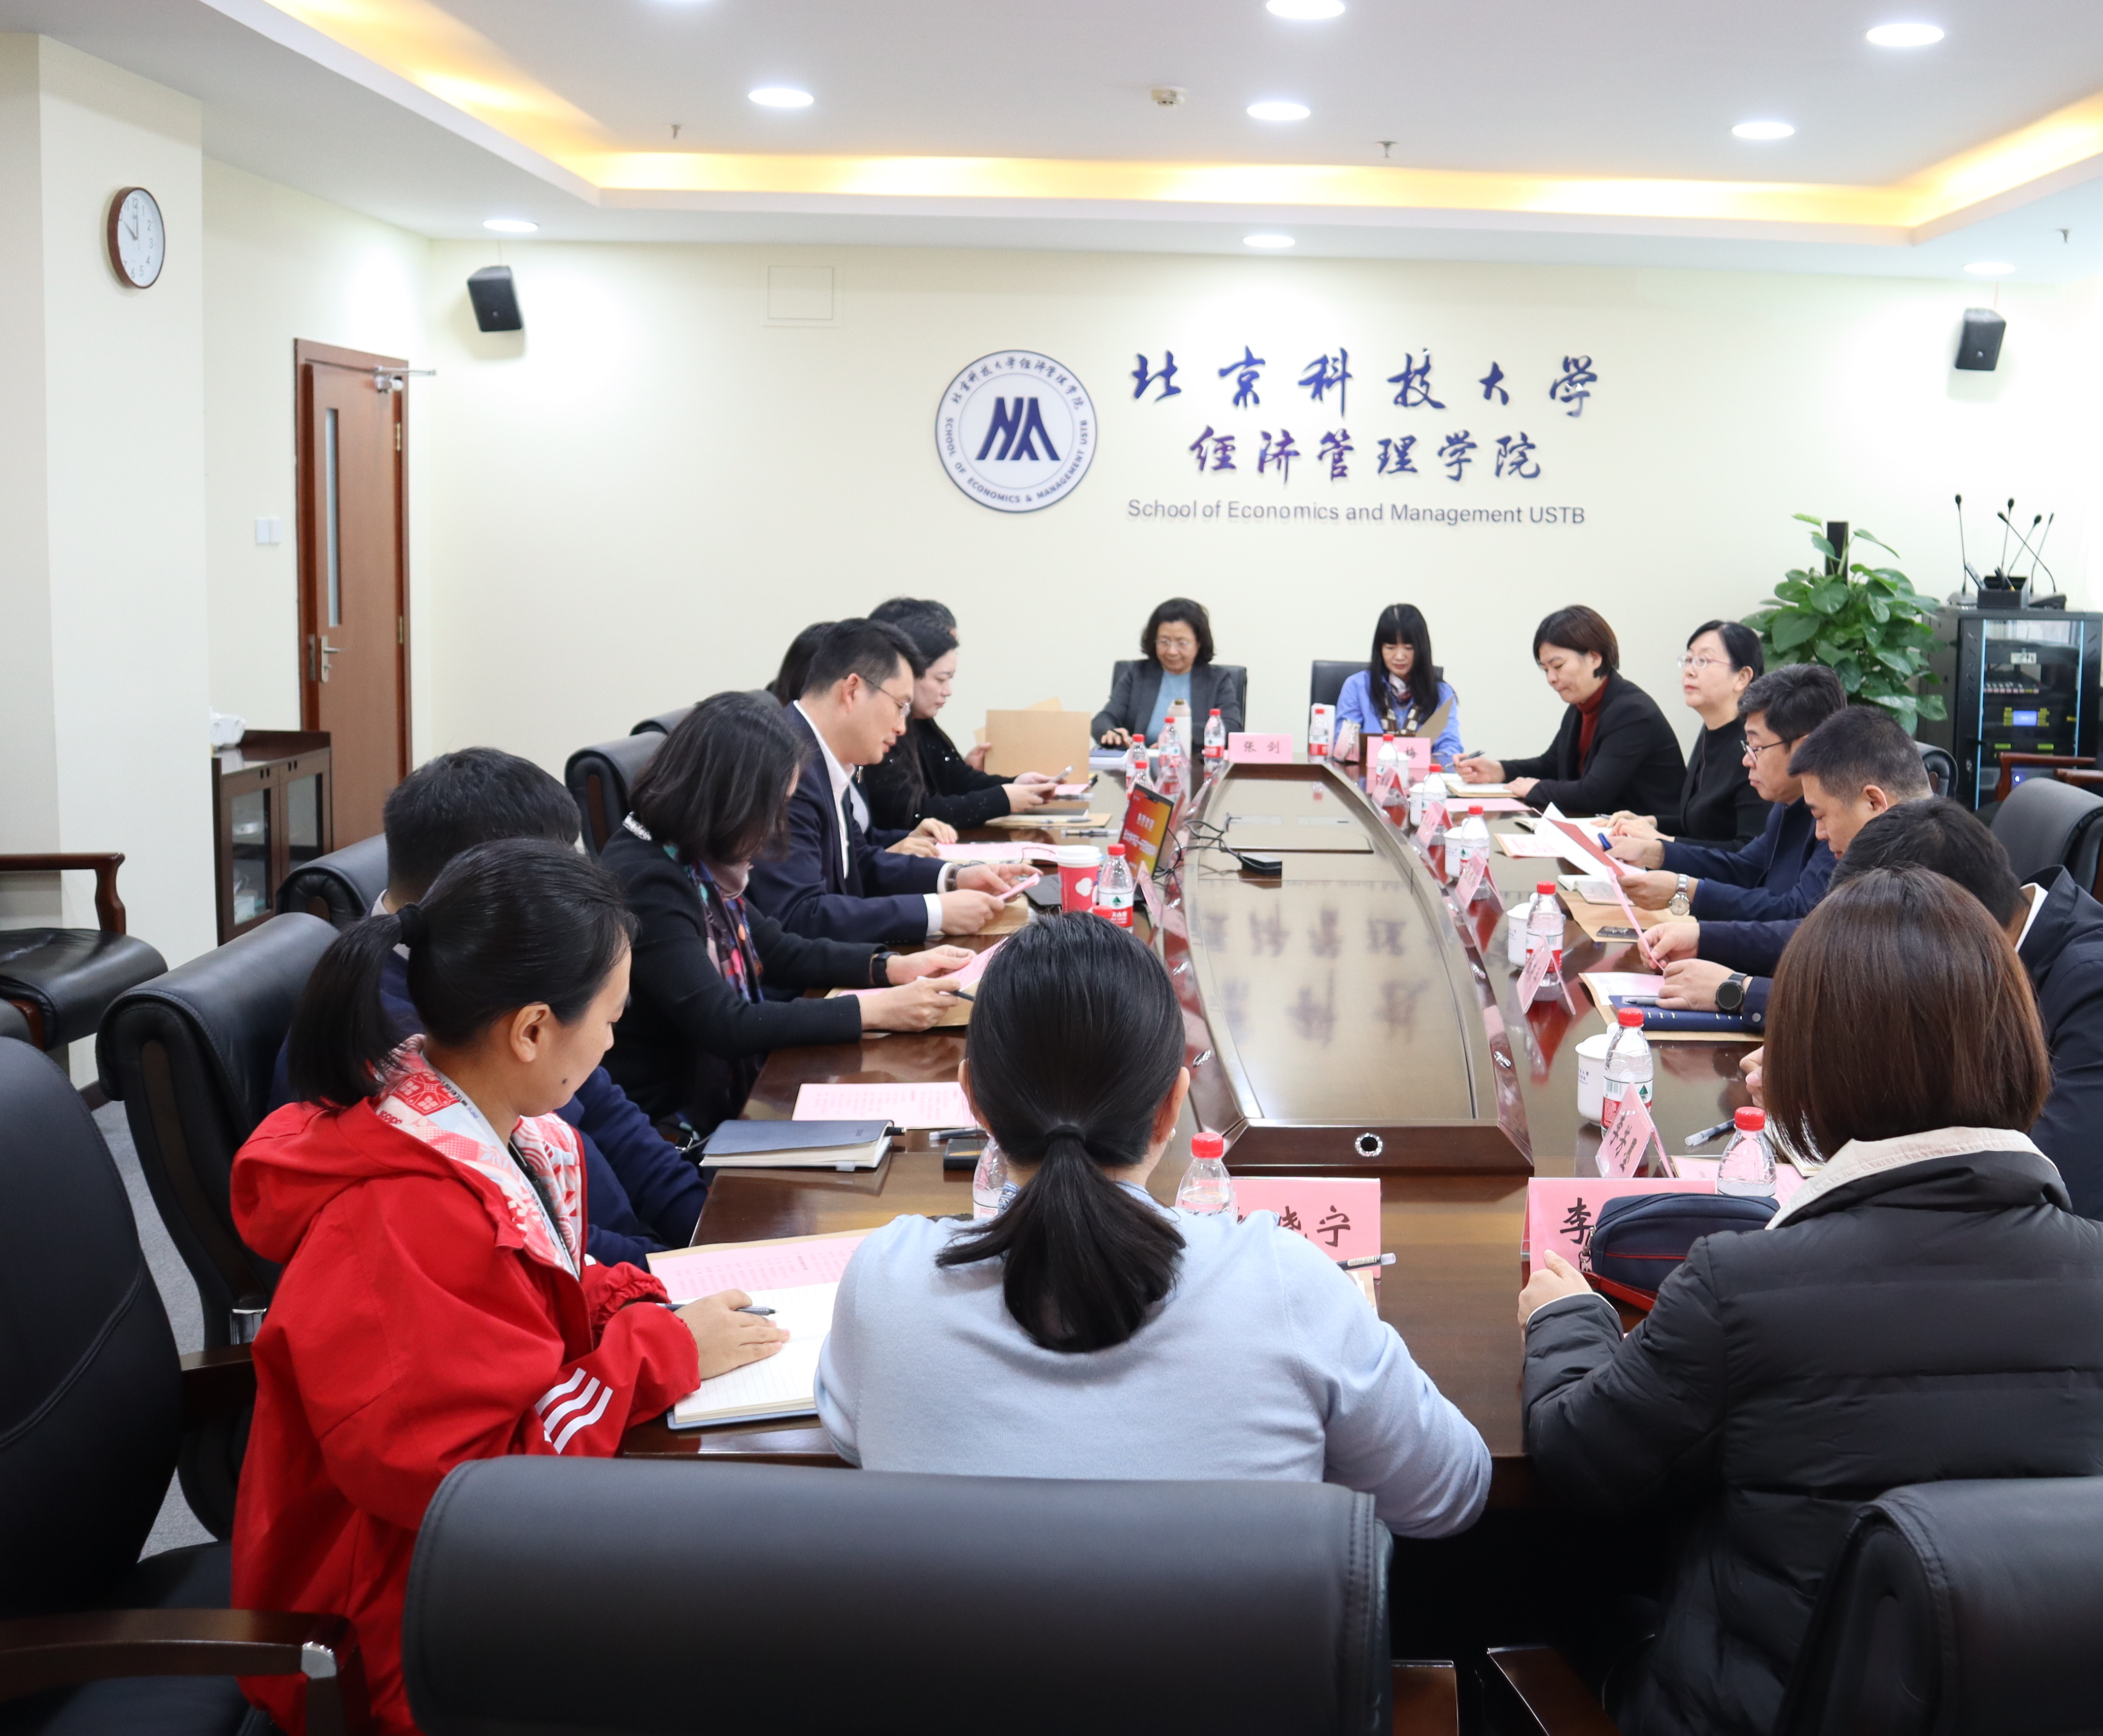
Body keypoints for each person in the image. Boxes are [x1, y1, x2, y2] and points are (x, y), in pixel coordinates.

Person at [1517, 871, 2103, 1736]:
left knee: (1546, 1585)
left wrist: (1566, 1321)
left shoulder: (1743, 1288)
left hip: (1766, 1712)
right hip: (2051, 1707)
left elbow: (1582, 1459)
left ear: (1804, 1067)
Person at [232, 839, 790, 1734]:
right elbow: (483, 1495)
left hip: (457, 1563)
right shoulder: (402, 1219)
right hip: (399, 1626)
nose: (612, 1042)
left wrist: (637, 1308)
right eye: (608, 1018)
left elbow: (545, 1293)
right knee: (752, 1628)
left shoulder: (479, 1123)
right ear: (532, 1031)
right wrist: (662, 1351)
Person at [818, 911, 1490, 1538]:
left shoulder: (888, 1275)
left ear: (974, 1102)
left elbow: (852, 1436)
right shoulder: (1288, 1285)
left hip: (959, 1636)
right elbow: (1447, 1495)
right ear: (1173, 1105)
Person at [1760, 797, 2103, 1433]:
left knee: (1831, 1391)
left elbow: (2025, 1199)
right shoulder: (2020, 948)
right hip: (2090, 1293)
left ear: (1945, 933)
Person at [264, 747, 709, 1270]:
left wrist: (705, 1226)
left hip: (617, 1260)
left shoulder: (511, 968)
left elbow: (608, 1111)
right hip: (564, 1279)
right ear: (489, 883)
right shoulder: (389, 1051)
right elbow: (522, 1233)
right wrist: (670, 1268)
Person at [600, 691, 972, 1133]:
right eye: (773, 807)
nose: (777, 827)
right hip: (675, 1121)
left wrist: (890, 967)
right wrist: (874, 1011)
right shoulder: (648, 880)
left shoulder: (693, 858)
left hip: (725, 1094)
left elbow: (776, 949)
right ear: (730, 799)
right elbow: (724, 1022)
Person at [749, 619, 1027, 948]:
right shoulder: (785, 767)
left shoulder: (821, 752)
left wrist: (954, 877)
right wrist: (934, 913)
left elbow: (860, 862)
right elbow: (798, 915)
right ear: (852, 691)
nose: (902, 727)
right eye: (899, 706)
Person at [1643, 701, 1930, 998]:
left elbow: (1845, 985)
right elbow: (1817, 933)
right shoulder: (1889, 843)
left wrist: (1735, 991)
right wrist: (1703, 936)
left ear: (1873, 802)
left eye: (1821, 816)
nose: (1820, 833)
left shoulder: (1927, 869)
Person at [1606, 664, 1843, 934]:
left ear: (1805, 747)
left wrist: (1685, 892)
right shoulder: (1787, 803)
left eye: (1757, 748)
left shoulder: (1840, 816)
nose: (1746, 760)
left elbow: (1797, 912)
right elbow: (1744, 867)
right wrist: (1654, 852)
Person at [1455, 605, 1685, 820]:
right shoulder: (1581, 706)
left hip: (1650, 839)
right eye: (1545, 669)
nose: (1551, 679)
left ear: (1595, 658)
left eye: (1558, 666)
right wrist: (1499, 770)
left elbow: (1593, 794)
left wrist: (1536, 788)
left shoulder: (1632, 712)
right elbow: (1552, 765)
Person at [862, 595, 1060, 830]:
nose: (948, 691)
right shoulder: (882, 729)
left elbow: (955, 777)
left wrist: (1016, 784)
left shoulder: (920, 721)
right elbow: (910, 813)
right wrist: (1003, 799)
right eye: (941, 679)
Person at [1664, 618, 1768, 844]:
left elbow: (1749, 850)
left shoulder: (1757, 745)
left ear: (1742, 677)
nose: (1689, 671)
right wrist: (1649, 824)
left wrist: (1663, 844)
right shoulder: (1711, 729)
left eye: (1703, 661)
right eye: (1688, 660)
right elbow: (1698, 825)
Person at [1092, 596, 1246, 746]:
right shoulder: (1138, 674)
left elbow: (1232, 727)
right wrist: (1109, 731)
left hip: (1195, 762)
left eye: (1182, 643)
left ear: (1199, 643)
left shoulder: (1217, 679)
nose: (1172, 651)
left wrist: (1183, 736)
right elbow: (1104, 719)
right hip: (1142, 762)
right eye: (1164, 641)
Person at [1329, 602, 1464, 766]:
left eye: (1408, 647)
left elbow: (1451, 747)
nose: (1399, 656)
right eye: (1391, 647)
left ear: (1422, 649)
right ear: (1380, 649)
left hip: (1423, 778)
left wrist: (1435, 761)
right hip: (1367, 777)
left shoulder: (1441, 692)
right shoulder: (1357, 687)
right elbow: (1342, 745)